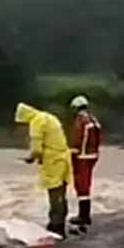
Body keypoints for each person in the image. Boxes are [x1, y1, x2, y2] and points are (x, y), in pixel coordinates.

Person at [14, 102, 73, 238]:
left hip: (53, 161)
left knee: (54, 194)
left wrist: (31, 158)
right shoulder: (48, 117)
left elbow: (36, 149)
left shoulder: (36, 122)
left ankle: (55, 227)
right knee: (61, 193)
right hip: (64, 159)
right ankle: (60, 224)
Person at [68, 95, 102, 227]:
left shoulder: (81, 120)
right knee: (86, 184)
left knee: (81, 185)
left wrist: (73, 151)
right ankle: (84, 215)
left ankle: (84, 216)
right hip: (93, 156)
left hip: (81, 156)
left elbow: (77, 138)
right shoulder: (94, 119)